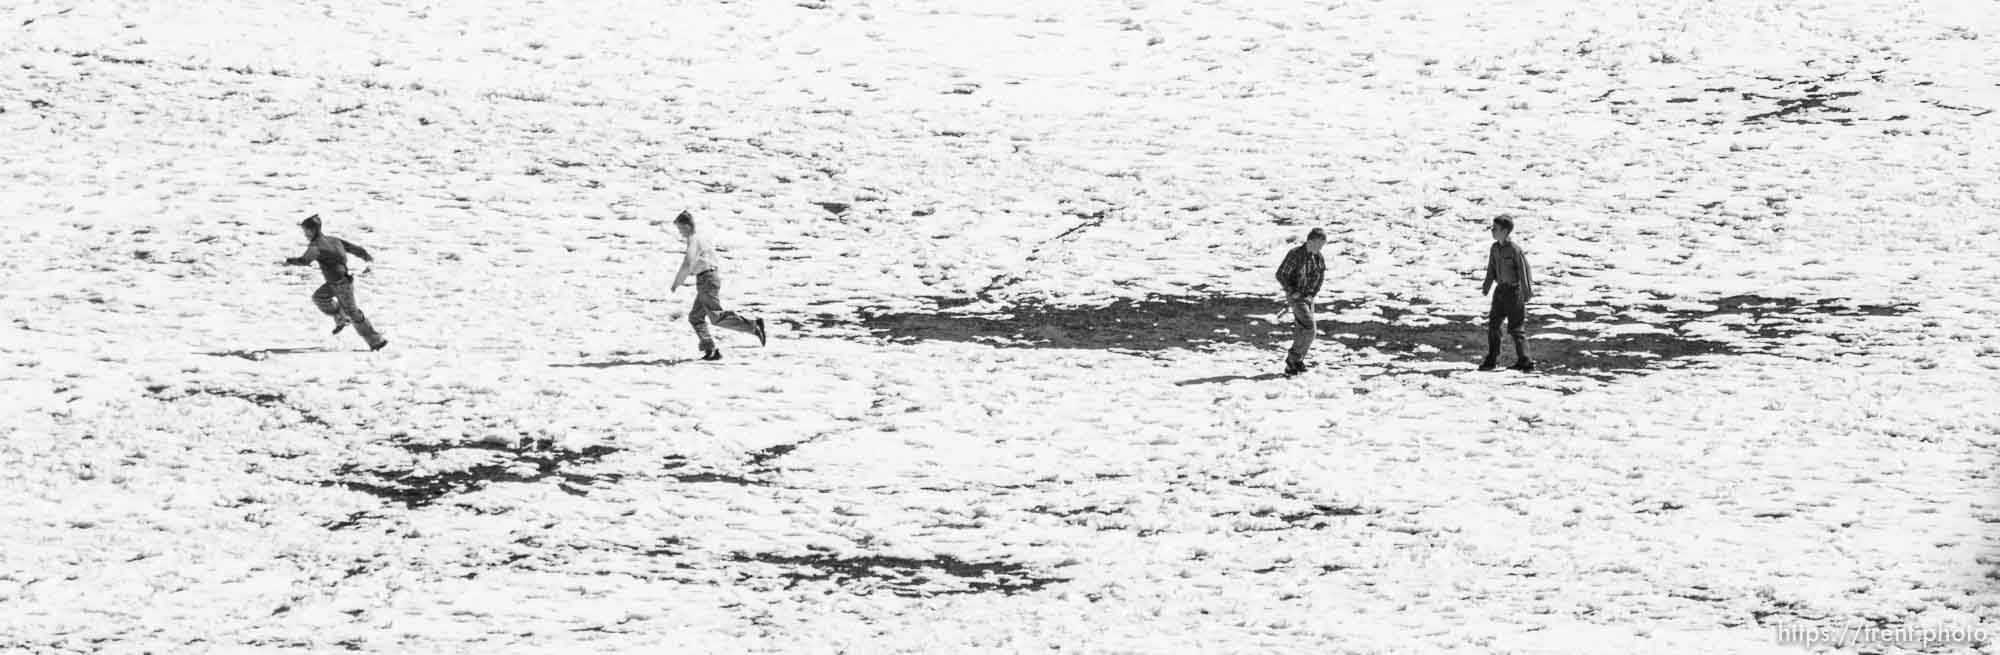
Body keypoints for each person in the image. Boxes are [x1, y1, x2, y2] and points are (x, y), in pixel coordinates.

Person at [670, 210, 767, 360]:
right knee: (696, 317)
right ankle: (711, 350)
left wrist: (677, 282)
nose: (680, 233)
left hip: (706, 280)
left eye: (680, 228)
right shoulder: (701, 239)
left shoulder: (693, 240)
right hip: (708, 279)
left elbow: (688, 262)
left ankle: (753, 326)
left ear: (688, 226)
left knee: (716, 317)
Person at [281, 214, 387, 351]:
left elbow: (305, 261)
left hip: (341, 284)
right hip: (336, 282)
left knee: (353, 312)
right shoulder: (334, 240)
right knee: (319, 297)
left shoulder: (316, 246)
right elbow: (355, 249)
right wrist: (366, 256)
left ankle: (376, 340)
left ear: (312, 230)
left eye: (305, 231)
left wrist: (288, 261)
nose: (305, 234)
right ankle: (340, 316)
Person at [1479, 216, 1533, 371]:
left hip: (1514, 292)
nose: (1492, 231)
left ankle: (1525, 360)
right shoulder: (1494, 248)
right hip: (1500, 291)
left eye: (1495, 229)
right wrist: (1487, 286)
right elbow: (1491, 268)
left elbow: (1524, 271)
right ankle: (1492, 359)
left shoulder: (1515, 250)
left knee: (1516, 328)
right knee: (1493, 325)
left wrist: (1527, 292)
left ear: (1505, 231)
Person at [1275, 227, 1327, 376]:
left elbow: (1320, 276)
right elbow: (1281, 274)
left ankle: (1294, 364)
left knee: (1303, 330)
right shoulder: (1295, 254)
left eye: (1322, 245)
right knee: (1310, 328)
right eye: (1318, 244)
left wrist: (1312, 294)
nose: (1319, 248)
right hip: (1296, 297)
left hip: (1308, 297)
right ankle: (1293, 359)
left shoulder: (1318, 257)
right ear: (1310, 241)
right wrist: (1292, 291)